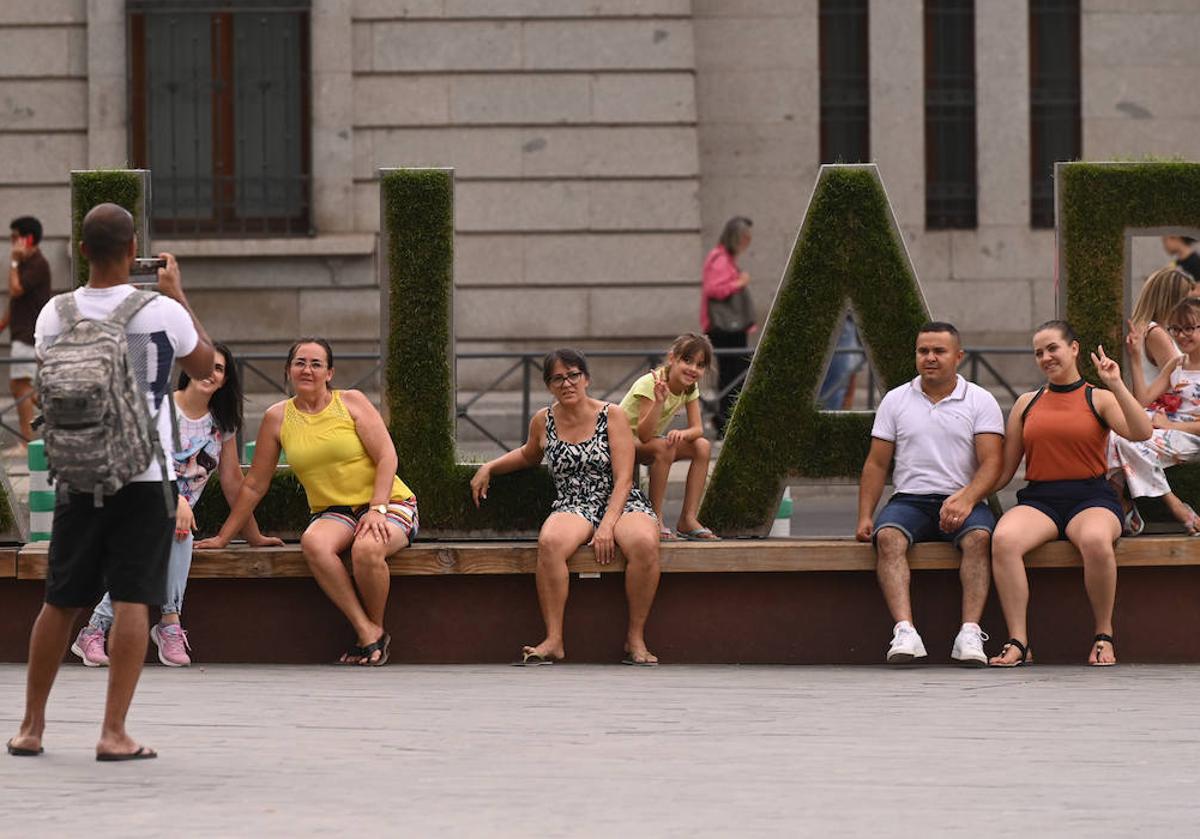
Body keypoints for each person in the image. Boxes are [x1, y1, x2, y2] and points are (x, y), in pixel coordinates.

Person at [7, 203, 215, 761]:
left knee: (59, 601)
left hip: (78, 472)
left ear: (80, 249)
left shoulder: (56, 312)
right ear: (132, 252)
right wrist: (178, 292)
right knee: (132, 599)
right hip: (143, 473)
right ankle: (112, 732)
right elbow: (205, 367)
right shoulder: (162, 311)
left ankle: (31, 727)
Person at [196, 338, 417, 667]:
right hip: (334, 512)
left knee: (367, 549)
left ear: (330, 372)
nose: (307, 370)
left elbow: (387, 456)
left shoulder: (352, 402)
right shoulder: (277, 418)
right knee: (313, 542)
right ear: (288, 371)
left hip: (389, 503)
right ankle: (366, 630)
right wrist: (224, 537)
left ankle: (374, 631)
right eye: (300, 363)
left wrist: (377, 508)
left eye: (316, 364)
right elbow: (255, 484)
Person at [72, 343, 283, 668]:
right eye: (204, 365)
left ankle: (96, 630)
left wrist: (250, 535)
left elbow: (232, 483)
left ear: (226, 380)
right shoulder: (162, 409)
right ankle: (167, 623)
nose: (209, 374)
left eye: (219, 369)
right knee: (171, 528)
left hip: (174, 522)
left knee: (176, 533)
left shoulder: (221, 423)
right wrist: (177, 501)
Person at [470, 349, 662, 666]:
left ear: (586, 378)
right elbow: (528, 455)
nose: (567, 383)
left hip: (621, 499)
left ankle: (636, 638)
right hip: (573, 501)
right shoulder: (543, 420)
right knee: (550, 542)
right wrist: (489, 466)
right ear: (549, 386)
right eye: (558, 378)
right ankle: (554, 639)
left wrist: (606, 527)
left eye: (573, 375)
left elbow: (625, 478)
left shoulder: (611, 415)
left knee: (643, 542)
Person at [988, 321, 1151, 668]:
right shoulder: (1026, 403)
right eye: (1038, 353)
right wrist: (967, 497)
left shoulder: (1099, 397)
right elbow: (1003, 472)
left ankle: (1103, 635)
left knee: (1094, 540)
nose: (1045, 357)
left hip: (1091, 496)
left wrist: (1116, 383)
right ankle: (1019, 641)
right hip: (1041, 499)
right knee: (1003, 539)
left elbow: (1142, 431)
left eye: (1052, 348)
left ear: (1074, 349)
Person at [855, 322, 1004, 665]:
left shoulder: (980, 400)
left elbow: (992, 463)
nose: (930, 358)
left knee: (981, 538)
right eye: (923, 351)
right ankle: (905, 631)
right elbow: (877, 465)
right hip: (910, 501)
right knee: (888, 537)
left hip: (964, 498)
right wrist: (865, 515)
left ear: (958, 356)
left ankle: (969, 633)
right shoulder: (896, 400)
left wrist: (966, 499)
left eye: (939, 351)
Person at [1111, 298, 1200, 534]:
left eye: (1189, 328)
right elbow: (1142, 401)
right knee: (1114, 436)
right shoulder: (1176, 364)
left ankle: (1168, 506)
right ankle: (1123, 505)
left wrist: (1169, 424)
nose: (1181, 336)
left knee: (1126, 441)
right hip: (1164, 429)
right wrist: (1135, 357)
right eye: (1176, 329)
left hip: (1190, 437)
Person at [618, 333, 717, 541]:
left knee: (702, 446)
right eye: (687, 360)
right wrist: (659, 401)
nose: (693, 369)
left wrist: (683, 433)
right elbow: (644, 435)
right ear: (672, 358)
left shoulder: (689, 387)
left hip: (646, 442)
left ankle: (688, 519)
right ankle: (655, 517)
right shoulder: (650, 383)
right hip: (621, 443)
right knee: (665, 446)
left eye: (700, 365)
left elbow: (697, 428)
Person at [2, 216, 53, 451]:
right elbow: (15, 301)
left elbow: (15, 289)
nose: (12, 243)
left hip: (29, 334)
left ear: (28, 238)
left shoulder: (37, 264)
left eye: (15, 238)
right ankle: (56, 412)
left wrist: (13, 263)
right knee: (22, 387)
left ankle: (26, 440)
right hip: (21, 332)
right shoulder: (26, 263)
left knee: (21, 386)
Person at [702, 216, 755, 437]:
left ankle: (724, 419)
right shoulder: (720, 259)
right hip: (725, 329)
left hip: (731, 329)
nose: (748, 242)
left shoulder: (725, 259)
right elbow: (713, 290)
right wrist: (738, 283)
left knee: (733, 374)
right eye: (745, 237)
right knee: (731, 375)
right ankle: (723, 421)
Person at [1127, 265, 1191, 388]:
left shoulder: (1148, 329)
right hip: (1162, 405)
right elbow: (1181, 385)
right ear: (1173, 301)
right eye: (1186, 301)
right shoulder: (1156, 333)